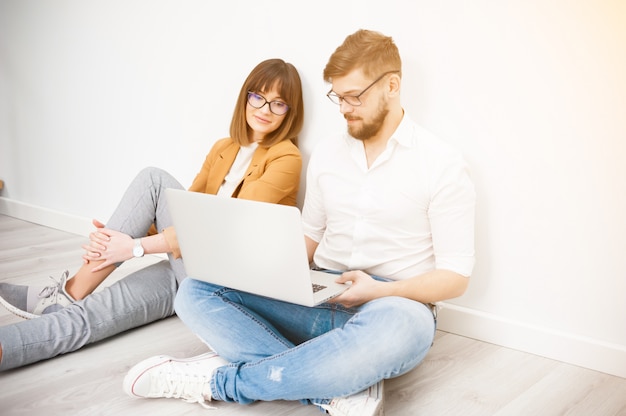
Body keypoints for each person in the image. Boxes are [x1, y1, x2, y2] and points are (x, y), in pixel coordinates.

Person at [123, 29, 476, 416]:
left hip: (394, 304)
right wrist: (271, 275)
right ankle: (331, 384)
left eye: (354, 96)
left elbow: (455, 277)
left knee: (397, 333)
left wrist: (374, 291)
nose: (344, 108)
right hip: (320, 290)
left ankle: (218, 382)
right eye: (338, 97)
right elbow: (309, 235)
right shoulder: (328, 153)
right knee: (195, 290)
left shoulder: (441, 163)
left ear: (392, 85)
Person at [0, 58, 305, 371]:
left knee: (153, 179)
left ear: (290, 113)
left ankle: (69, 291)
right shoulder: (223, 148)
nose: (265, 109)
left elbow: (224, 224)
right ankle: (10, 345)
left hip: (231, 281)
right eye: (258, 97)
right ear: (245, 98)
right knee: (96, 312)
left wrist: (133, 247)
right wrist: (124, 232)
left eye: (278, 104)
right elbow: (187, 209)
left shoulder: (287, 158)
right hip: (191, 267)